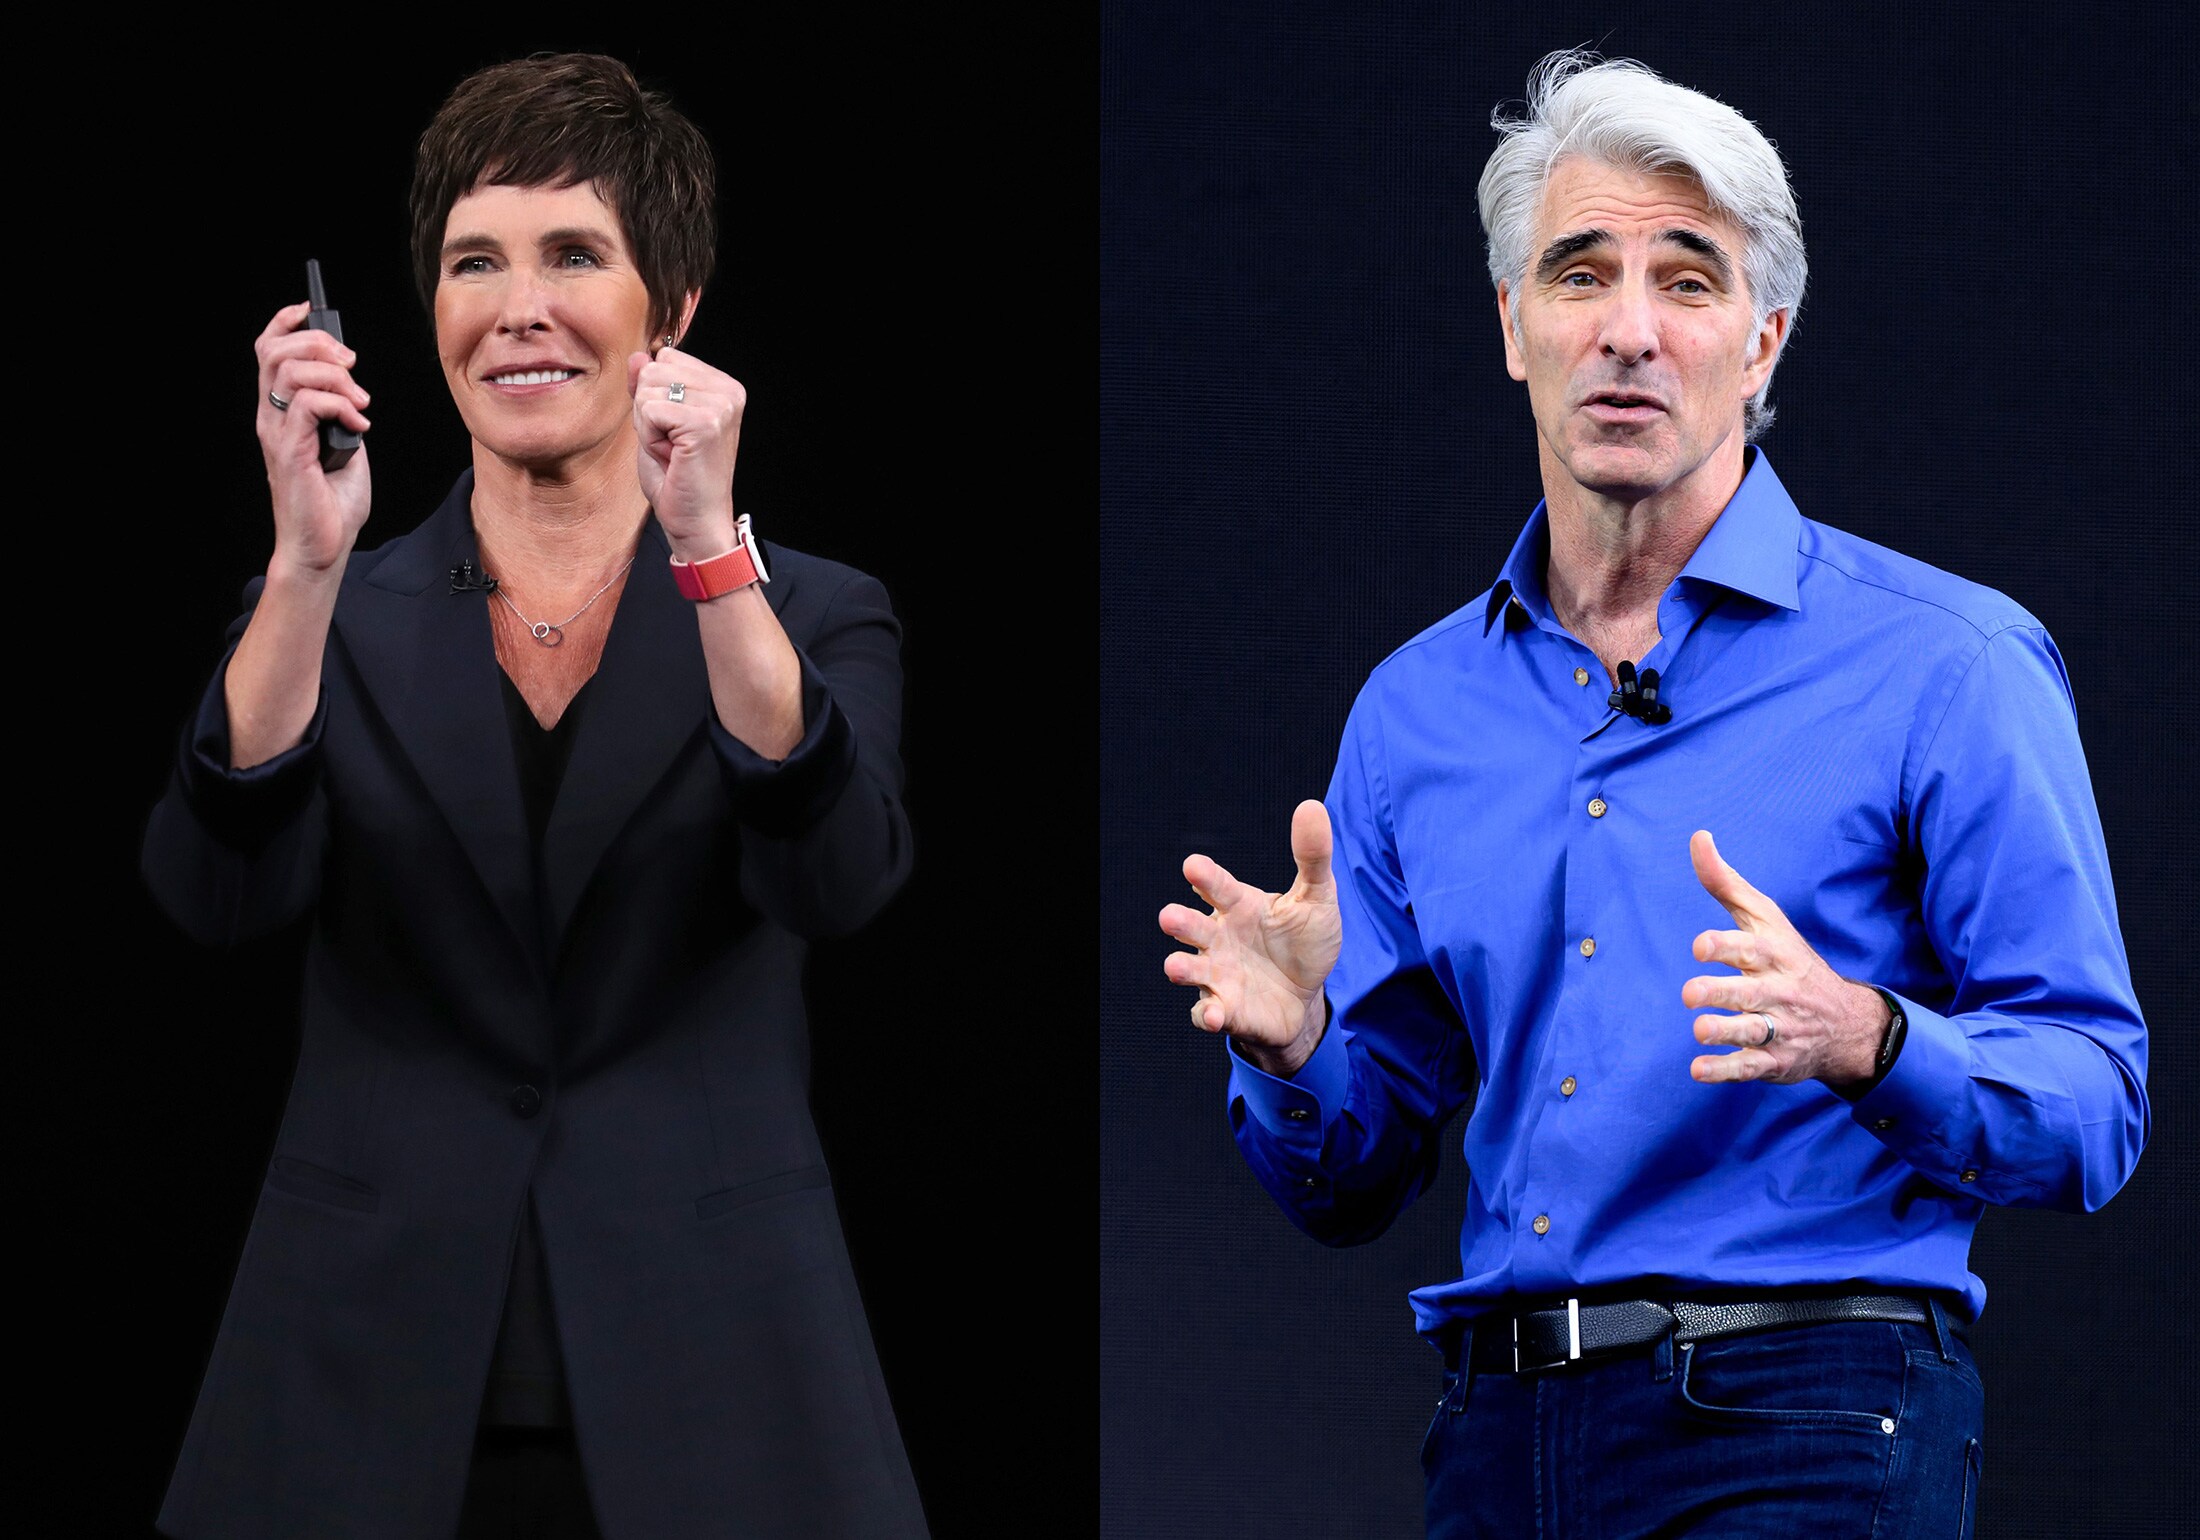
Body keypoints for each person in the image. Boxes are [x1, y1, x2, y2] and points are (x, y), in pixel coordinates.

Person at [1158, 50, 2148, 1538]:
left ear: (1764, 341)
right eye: (1578, 274)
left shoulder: (1947, 666)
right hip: (1498, 1436)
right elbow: (1350, 1183)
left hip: (1805, 1413)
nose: (1628, 330)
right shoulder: (1418, 711)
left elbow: (2097, 1102)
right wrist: (1298, 1050)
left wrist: (1868, 1038)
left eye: (1687, 282)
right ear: (1512, 326)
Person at [143, 53, 929, 1540]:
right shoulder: (318, 612)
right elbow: (214, 892)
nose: (518, 308)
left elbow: (834, 878)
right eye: (472, 262)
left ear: (674, 306)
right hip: (351, 1385)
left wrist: (709, 554)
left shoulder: (810, 610)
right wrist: (306, 567)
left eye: (575, 254)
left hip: (726, 1384)